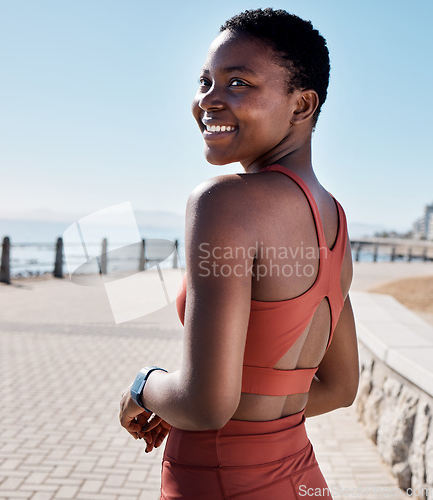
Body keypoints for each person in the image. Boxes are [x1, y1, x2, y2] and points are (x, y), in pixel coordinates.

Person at [119, 8, 359, 499]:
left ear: (301, 105)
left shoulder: (223, 202)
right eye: (205, 81)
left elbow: (206, 404)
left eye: (238, 83)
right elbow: (340, 387)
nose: (209, 99)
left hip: (219, 484)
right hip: (302, 481)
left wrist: (145, 386)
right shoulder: (333, 218)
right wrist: (248, 416)